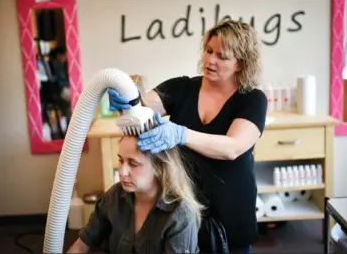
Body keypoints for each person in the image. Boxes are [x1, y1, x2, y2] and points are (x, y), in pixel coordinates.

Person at [108, 19, 268, 253]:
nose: (210, 60)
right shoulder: (181, 88)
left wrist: (181, 134)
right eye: (208, 50)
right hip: (183, 208)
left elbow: (232, 147)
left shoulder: (252, 99)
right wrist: (128, 100)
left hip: (231, 207)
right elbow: (141, 109)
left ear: (241, 64)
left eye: (222, 56)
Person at [67, 136, 203, 253]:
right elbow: (82, 245)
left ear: (160, 167)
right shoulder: (114, 196)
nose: (122, 172)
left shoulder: (180, 217)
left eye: (133, 163)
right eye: (121, 160)